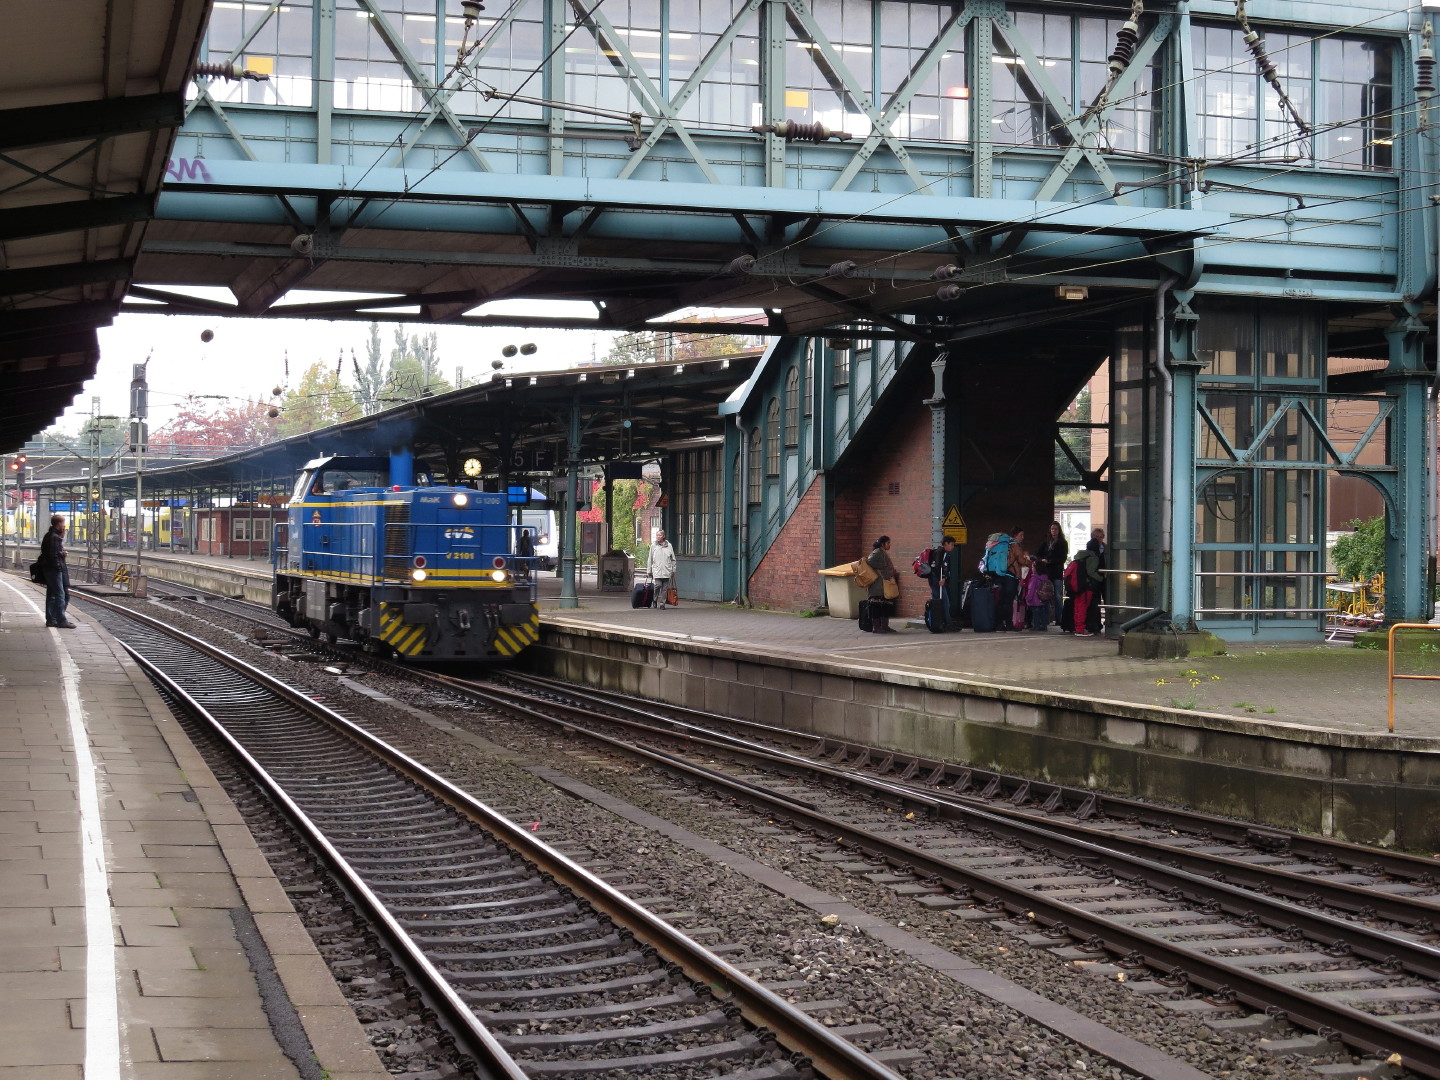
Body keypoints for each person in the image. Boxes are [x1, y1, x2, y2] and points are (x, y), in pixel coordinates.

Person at [40, 514, 76, 629]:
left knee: (51, 595)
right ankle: (61, 620)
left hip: (50, 569)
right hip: (54, 570)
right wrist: (58, 567)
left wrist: (61, 554)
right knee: (61, 594)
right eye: (63, 523)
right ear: (59, 524)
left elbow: (53, 553)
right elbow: (52, 556)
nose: (64, 525)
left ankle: (51, 619)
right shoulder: (54, 537)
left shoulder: (49, 535)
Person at [1035, 520, 1068, 630]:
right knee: (1045, 595)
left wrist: (1049, 561)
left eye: (1056, 529)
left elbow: (1062, 558)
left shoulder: (1062, 543)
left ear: (1059, 531)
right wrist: (1041, 560)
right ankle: (1046, 619)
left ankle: (1060, 618)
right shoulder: (1046, 542)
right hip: (1046, 572)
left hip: (1057, 572)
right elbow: (1038, 554)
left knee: (1058, 596)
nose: (1054, 531)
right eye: (1052, 529)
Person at [865, 535, 899, 633]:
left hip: (883, 584)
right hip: (877, 585)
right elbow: (869, 561)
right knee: (876, 605)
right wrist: (883, 566)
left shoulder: (882, 552)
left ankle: (884, 626)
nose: (889, 545)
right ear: (882, 544)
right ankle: (877, 627)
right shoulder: (877, 552)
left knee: (885, 605)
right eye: (888, 543)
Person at [1070, 541, 1104, 637]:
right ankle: (1080, 630)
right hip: (1086, 586)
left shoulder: (1079, 556)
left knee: (1077, 607)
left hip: (1077, 585)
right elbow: (1090, 572)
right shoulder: (1093, 557)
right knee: (1083, 607)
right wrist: (1101, 578)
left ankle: (1077, 627)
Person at [997, 526, 1025, 632]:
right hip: (1011, 576)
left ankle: (999, 624)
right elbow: (1021, 560)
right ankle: (1009, 624)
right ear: (1014, 536)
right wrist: (1031, 562)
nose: (1023, 537)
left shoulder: (1003, 544)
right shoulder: (1014, 544)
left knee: (1001, 600)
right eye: (1021, 535)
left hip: (1000, 574)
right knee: (1008, 602)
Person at [926, 537, 955, 631]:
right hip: (937, 581)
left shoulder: (937, 551)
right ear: (946, 543)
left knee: (936, 601)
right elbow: (939, 566)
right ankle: (948, 624)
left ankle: (937, 622)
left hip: (933, 579)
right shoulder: (942, 553)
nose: (953, 547)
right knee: (945, 602)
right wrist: (943, 578)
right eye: (952, 544)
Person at [1024, 555, 1053, 631]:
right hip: (1043, 600)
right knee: (1043, 614)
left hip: (1035, 600)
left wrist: (1028, 598)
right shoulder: (1045, 578)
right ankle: (1043, 626)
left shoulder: (1034, 578)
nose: (1032, 569)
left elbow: (1031, 589)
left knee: (1036, 614)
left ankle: (1036, 626)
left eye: (1033, 567)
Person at [649, 529, 676, 608]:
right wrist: (649, 571)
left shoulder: (669, 545)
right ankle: (654, 599)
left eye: (660, 535)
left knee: (665, 588)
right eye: (657, 535)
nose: (658, 537)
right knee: (657, 585)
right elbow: (650, 558)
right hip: (657, 570)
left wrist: (673, 570)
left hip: (666, 570)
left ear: (663, 536)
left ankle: (662, 603)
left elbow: (673, 559)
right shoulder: (653, 546)